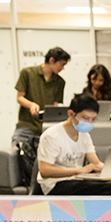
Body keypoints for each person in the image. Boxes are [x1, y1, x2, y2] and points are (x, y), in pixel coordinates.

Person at [36, 94, 111, 196]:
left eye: (93, 119)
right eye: (86, 118)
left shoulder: (84, 135)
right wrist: (79, 170)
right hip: (56, 184)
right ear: (71, 114)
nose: (89, 122)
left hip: (77, 180)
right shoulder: (52, 136)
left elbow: (96, 163)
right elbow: (45, 171)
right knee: (108, 189)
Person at [14, 47, 70, 186]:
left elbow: (56, 106)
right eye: (61, 64)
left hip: (46, 129)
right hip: (27, 125)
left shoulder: (60, 82)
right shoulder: (27, 73)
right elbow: (20, 98)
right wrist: (31, 104)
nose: (62, 68)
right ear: (51, 60)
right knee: (17, 156)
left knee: (45, 162)